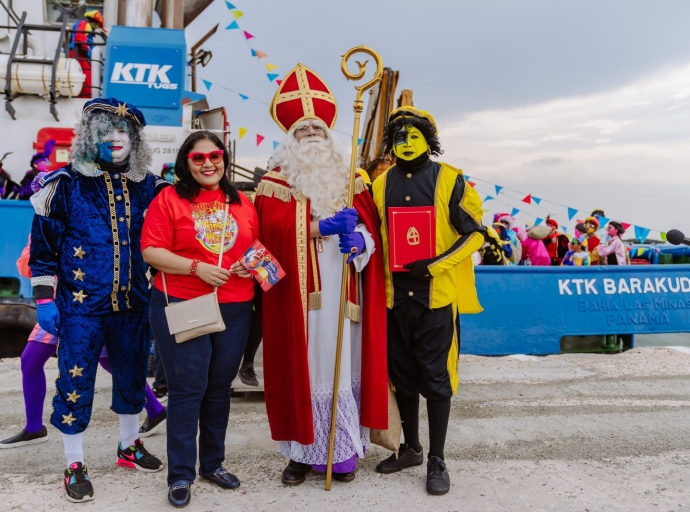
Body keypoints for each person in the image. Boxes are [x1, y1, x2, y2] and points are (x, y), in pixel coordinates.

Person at [29, 97, 167, 503]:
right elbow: (42, 251)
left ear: (136, 140)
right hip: (80, 308)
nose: (115, 139)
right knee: (75, 382)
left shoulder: (152, 187)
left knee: (131, 375)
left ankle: (128, 447)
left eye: (124, 132)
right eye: (106, 131)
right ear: (90, 137)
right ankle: (74, 463)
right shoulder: (64, 185)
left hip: (134, 303)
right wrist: (43, 300)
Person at [255, 64, 388, 486]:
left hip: (346, 292)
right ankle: (300, 452)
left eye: (317, 129)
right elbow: (266, 234)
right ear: (290, 139)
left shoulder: (354, 179)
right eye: (302, 130)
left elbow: (376, 233)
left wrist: (362, 241)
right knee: (301, 366)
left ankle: (342, 449)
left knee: (343, 362)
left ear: (329, 136)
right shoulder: (275, 182)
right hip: (298, 297)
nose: (311, 135)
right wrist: (316, 227)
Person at [371, 106, 485, 496]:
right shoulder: (379, 184)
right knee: (402, 378)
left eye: (413, 136)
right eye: (399, 137)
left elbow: (475, 235)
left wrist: (436, 265)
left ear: (428, 140)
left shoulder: (449, 179)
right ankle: (411, 448)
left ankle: (437, 457)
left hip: (436, 299)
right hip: (393, 299)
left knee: (436, 380)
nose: (405, 143)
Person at [141, 130, 257, 508]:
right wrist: (196, 268)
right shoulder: (169, 199)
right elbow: (151, 251)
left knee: (219, 388)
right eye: (198, 158)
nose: (209, 163)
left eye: (215, 156)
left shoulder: (241, 201)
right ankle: (180, 475)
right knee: (188, 389)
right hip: (184, 302)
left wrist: (248, 263)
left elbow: (256, 245)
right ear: (186, 162)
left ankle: (212, 463)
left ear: (224, 159)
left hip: (236, 305)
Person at [0, 237, 167, 450]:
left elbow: (30, 264)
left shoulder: (73, 218)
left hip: (85, 306)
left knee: (110, 363)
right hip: (63, 305)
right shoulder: (51, 222)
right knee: (32, 361)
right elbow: (28, 267)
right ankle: (34, 428)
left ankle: (152, 413)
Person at [69, 10, 106, 98]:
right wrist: (85, 49)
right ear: (93, 21)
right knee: (87, 81)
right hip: (78, 53)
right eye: (97, 24)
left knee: (85, 79)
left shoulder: (85, 24)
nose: (97, 27)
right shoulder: (84, 24)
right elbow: (79, 37)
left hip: (79, 53)